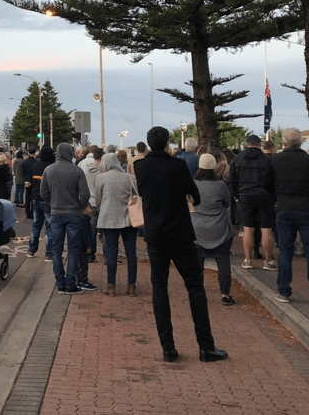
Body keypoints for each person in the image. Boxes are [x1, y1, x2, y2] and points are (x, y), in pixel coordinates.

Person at [134, 126, 227, 363]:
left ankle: (168, 347)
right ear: (168, 144)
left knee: (160, 289)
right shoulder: (178, 166)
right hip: (180, 233)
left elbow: (144, 192)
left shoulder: (140, 166)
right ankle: (206, 346)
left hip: (155, 235)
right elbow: (195, 195)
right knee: (195, 287)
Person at [268, 127, 309, 306]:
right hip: (308, 209)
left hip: (284, 208)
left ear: (285, 142)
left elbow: (266, 184)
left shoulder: (276, 161)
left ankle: (284, 292)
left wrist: (278, 198)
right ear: (301, 142)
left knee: (285, 252)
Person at [39, 143, 95, 295]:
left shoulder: (49, 170)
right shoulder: (77, 171)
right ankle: (71, 283)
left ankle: (60, 283)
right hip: (73, 215)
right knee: (73, 250)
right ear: (70, 153)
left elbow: (43, 192)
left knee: (56, 250)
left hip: (56, 214)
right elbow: (85, 194)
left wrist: (52, 203)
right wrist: (78, 206)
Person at [192, 154, 236, 306]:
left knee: (197, 262)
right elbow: (227, 202)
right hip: (219, 228)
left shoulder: (193, 184)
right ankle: (225, 293)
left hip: (197, 229)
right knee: (223, 261)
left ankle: (197, 292)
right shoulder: (220, 185)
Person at [230, 134, 276, 270]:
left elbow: (232, 180)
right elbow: (273, 180)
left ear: (246, 144)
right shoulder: (267, 159)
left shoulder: (237, 159)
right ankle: (268, 261)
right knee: (266, 229)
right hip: (264, 196)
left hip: (245, 196)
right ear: (259, 144)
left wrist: (236, 195)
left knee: (248, 228)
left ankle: (247, 259)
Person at [94, 152, 138, 296]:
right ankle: (131, 286)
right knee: (131, 252)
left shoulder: (101, 178)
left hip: (109, 219)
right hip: (128, 218)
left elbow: (98, 200)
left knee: (111, 252)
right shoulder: (130, 177)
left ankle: (111, 285)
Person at [26, 145, 55, 260]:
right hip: (48, 200)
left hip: (35, 198)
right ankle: (49, 253)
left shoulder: (35, 165)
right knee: (49, 228)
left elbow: (31, 181)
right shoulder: (51, 167)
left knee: (36, 225)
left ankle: (31, 250)